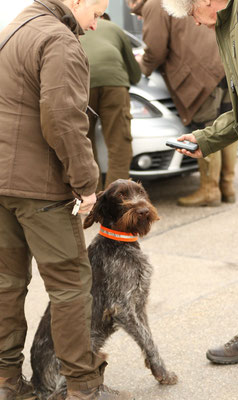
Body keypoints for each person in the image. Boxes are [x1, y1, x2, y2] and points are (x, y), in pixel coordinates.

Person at [0, 0, 132, 399]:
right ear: (78, 0)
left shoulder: (11, 30)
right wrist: (87, 184)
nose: (95, 25)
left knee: (6, 283)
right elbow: (62, 118)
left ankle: (6, 382)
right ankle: (82, 386)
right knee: (71, 286)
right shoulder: (58, 38)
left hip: (2, 184)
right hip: (40, 188)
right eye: (97, 12)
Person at [162, 0, 238, 364]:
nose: (195, 23)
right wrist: (205, 139)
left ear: (204, 0)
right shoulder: (226, 25)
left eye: (192, 14)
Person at [128, 0, 238, 207]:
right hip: (221, 67)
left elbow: (155, 50)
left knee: (205, 126)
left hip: (199, 76)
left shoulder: (154, 4)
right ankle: (227, 186)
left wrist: (140, 69)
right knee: (226, 125)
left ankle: (209, 190)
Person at [80, 16, 141, 191]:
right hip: (114, 84)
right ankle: (115, 200)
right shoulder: (114, 28)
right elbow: (135, 74)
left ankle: (90, 198)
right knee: (119, 144)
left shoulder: (72, 28)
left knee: (84, 143)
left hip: (82, 84)